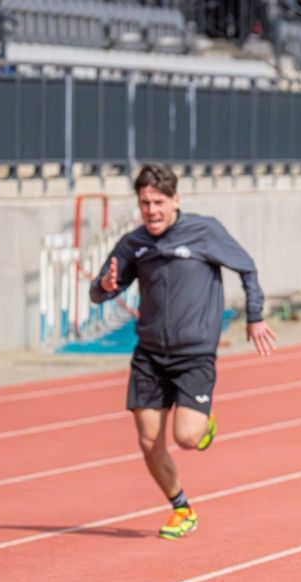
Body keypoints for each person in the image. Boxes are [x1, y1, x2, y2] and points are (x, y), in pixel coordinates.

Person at [91, 164, 276, 540]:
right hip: (149, 355)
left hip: (194, 354)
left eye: (159, 202)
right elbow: (99, 291)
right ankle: (181, 508)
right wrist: (105, 287)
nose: (152, 211)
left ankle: (204, 422)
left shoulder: (204, 232)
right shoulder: (134, 244)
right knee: (148, 440)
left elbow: (247, 268)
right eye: (145, 203)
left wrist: (255, 317)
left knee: (187, 438)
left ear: (176, 200)